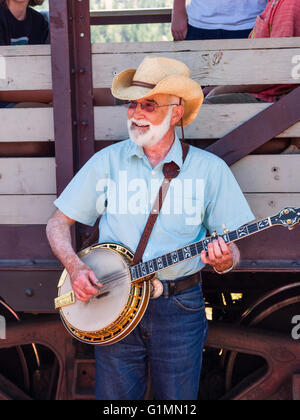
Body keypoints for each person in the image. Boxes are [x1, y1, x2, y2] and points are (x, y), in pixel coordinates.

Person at [46, 56, 254, 400]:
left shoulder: (209, 171)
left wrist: (222, 260)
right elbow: (57, 223)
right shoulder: (108, 162)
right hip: (112, 302)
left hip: (180, 308)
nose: (135, 113)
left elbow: (231, 251)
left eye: (148, 105)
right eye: (131, 104)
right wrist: (75, 266)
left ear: (176, 112)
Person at [205, 0, 300, 104]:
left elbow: (275, 71)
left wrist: (221, 89)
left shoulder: (289, 6)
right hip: (257, 87)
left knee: (201, 108)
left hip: (268, 97)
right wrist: (220, 84)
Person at [172, 0, 268, 41]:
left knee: (248, 79)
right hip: (199, 25)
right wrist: (178, 12)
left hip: (250, 24)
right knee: (193, 81)